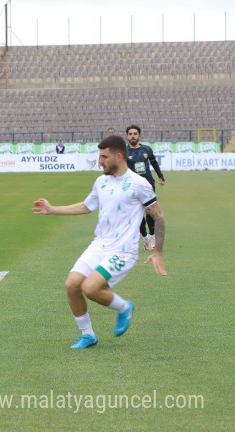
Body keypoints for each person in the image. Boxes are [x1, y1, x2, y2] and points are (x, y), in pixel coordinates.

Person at [32, 135, 167, 349]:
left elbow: (158, 216)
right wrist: (52, 209)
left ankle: (124, 308)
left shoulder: (139, 184)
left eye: (104, 156)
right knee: (72, 285)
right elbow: (86, 207)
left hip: (123, 251)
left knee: (91, 288)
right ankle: (88, 335)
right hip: (99, 245)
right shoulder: (101, 181)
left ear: (119, 156)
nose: (99, 161)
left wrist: (157, 252)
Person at [125, 125, 166, 250]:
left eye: (135, 134)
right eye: (130, 134)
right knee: (137, 214)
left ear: (139, 136)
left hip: (148, 185)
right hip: (132, 187)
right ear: (127, 136)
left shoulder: (147, 149)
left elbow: (154, 162)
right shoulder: (124, 152)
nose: (133, 136)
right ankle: (145, 237)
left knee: (150, 213)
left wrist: (160, 176)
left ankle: (152, 236)